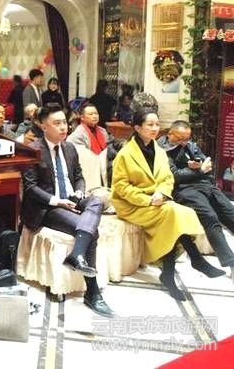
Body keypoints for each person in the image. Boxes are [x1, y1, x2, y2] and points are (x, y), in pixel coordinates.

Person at [111, 110, 223, 301]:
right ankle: (195, 259)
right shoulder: (125, 154)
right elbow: (121, 187)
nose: (155, 128)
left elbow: (167, 178)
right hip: (132, 204)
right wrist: (147, 200)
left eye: (157, 124)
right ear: (137, 127)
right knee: (172, 212)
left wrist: (162, 194)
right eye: (150, 125)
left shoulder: (160, 151)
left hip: (158, 201)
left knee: (177, 214)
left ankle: (169, 273)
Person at [21, 103, 113, 317]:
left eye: (64, 122)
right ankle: (93, 292)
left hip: (72, 198)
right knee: (92, 232)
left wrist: (80, 191)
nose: (63, 127)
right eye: (57, 123)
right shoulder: (33, 150)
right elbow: (30, 188)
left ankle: (77, 254)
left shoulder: (70, 148)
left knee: (96, 201)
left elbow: (79, 176)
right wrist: (57, 201)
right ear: (43, 126)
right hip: (47, 206)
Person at [158, 120, 234, 278]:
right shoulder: (161, 149)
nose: (183, 142)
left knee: (230, 213)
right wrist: (197, 170)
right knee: (210, 217)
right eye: (180, 138)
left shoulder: (190, 145)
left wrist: (201, 166)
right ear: (170, 133)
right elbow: (173, 176)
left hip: (205, 185)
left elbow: (205, 163)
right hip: (184, 189)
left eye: (187, 138)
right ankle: (232, 263)